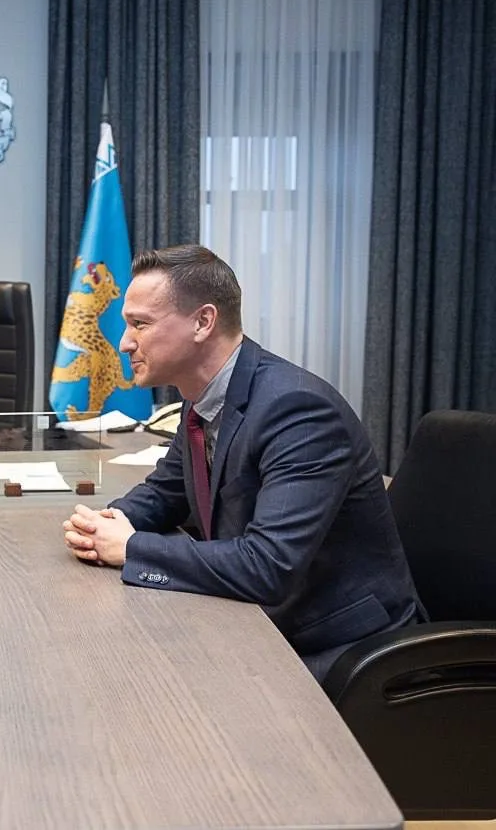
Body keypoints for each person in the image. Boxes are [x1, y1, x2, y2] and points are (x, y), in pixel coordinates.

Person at [62, 244, 422, 681]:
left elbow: (268, 566)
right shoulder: (203, 395)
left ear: (203, 322)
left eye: (141, 324)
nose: (124, 343)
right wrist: (106, 524)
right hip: (258, 618)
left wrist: (131, 547)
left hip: (337, 644)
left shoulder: (298, 411)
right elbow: (167, 490)